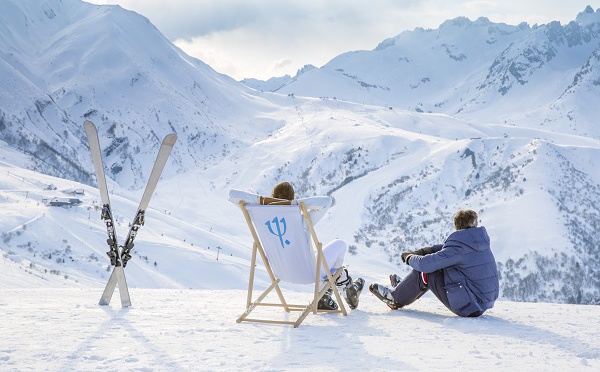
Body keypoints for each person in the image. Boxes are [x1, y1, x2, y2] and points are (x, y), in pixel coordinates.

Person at [229, 181, 365, 310]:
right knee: (340, 244)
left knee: (320, 255)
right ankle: (330, 290)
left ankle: (331, 290)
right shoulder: (301, 220)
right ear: (292, 198)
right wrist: (294, 205)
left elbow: (232, 194)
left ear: (272, 197)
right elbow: (326, 201)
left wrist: (264, 202)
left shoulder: (258, 215)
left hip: (280, 272)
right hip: (309, 273)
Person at [369, 209, 499, 317]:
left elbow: (425, 264)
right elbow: (446, 250)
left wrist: (409, 257)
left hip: (469, 306)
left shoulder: (458, 248)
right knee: (436, 265)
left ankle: (395, 298)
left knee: (428, 270)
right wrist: (426, 250)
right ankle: (406, 287)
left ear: (457, 225)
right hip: (482, 302)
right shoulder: (478, 242)